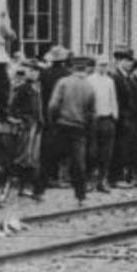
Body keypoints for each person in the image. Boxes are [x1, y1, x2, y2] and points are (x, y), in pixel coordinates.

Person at [46, 55, 96, 202]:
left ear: (72, 68)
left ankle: (39, 190)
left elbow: (53, 105)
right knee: (79, 162)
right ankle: (81, 195)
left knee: (49, 157)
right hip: (79, 128)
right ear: (85, 69)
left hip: (61, 125)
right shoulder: (89, 86)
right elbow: (92, 112)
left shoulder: (63, 82)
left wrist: (53, 121)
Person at [6, 60, 43, 198]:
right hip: (27, 125)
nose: (34, 74)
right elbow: (12, 107)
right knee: (24, 157)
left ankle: (30, 188)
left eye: (36, 71)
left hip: (36, 125)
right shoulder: (23, 89)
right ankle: (23, 187)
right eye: (32, 71)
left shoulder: (38, 88)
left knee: (33, 158)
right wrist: (18, 119)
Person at [38, 45, 70, 188]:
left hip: (47, 114)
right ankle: (61, 177)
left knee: (48, 147)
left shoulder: (44, 74)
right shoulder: (68, 75)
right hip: (64, 114)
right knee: (63, 147)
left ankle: (48, 177)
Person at [87, 54, 118, 193]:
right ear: (95, 66)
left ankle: (102, 180)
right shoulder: (90, 80)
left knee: (106, 153)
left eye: (105, 65)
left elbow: (113, 99)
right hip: (94, 120)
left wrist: (114, 115)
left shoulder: (110, 81)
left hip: (107, 119)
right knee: (92, 152)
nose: (103, 68)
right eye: (101, 65)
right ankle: (89, 181)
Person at [110, 50, 137, 188]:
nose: (130, 63)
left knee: (125, 148)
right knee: (119, 148)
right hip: (121, 118)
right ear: (120, 61)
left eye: (131, 61)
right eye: (127, 60)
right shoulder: (116, 77)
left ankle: (123, 176)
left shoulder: (126, 77)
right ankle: (116, 177)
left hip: (128, 118)